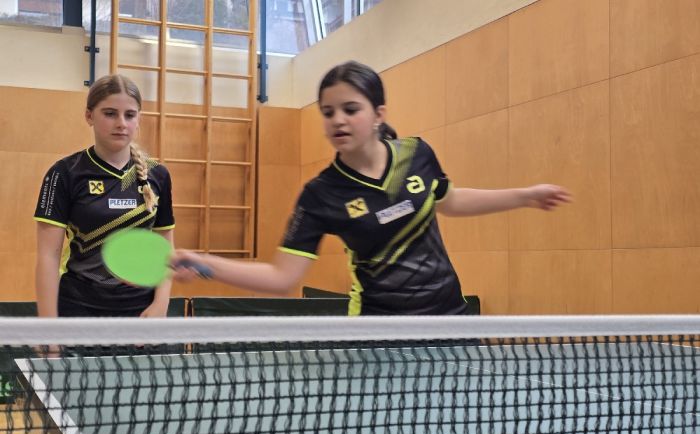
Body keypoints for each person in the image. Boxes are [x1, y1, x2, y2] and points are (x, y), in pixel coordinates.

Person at [172, 61, 571, 315]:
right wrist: (205, 264)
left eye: (350, 109)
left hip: (449, 318)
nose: (337, 120)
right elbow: (281, 277)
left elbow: (450, 201)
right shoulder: (321, 194)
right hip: (379, 330)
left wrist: (524, 196)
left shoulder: (416, 153)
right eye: (328, 112)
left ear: (379, 114)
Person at [34, 74, 175, 318]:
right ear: (89, 116)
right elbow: (48, 256)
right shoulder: (64, 173)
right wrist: (48, 325)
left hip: (142, 310)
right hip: (78, 307)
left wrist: (160, 304)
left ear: (138, 119)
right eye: (110, 113)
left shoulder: (158, 175)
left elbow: (165, 248)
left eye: (129, 115)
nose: (121, 123)